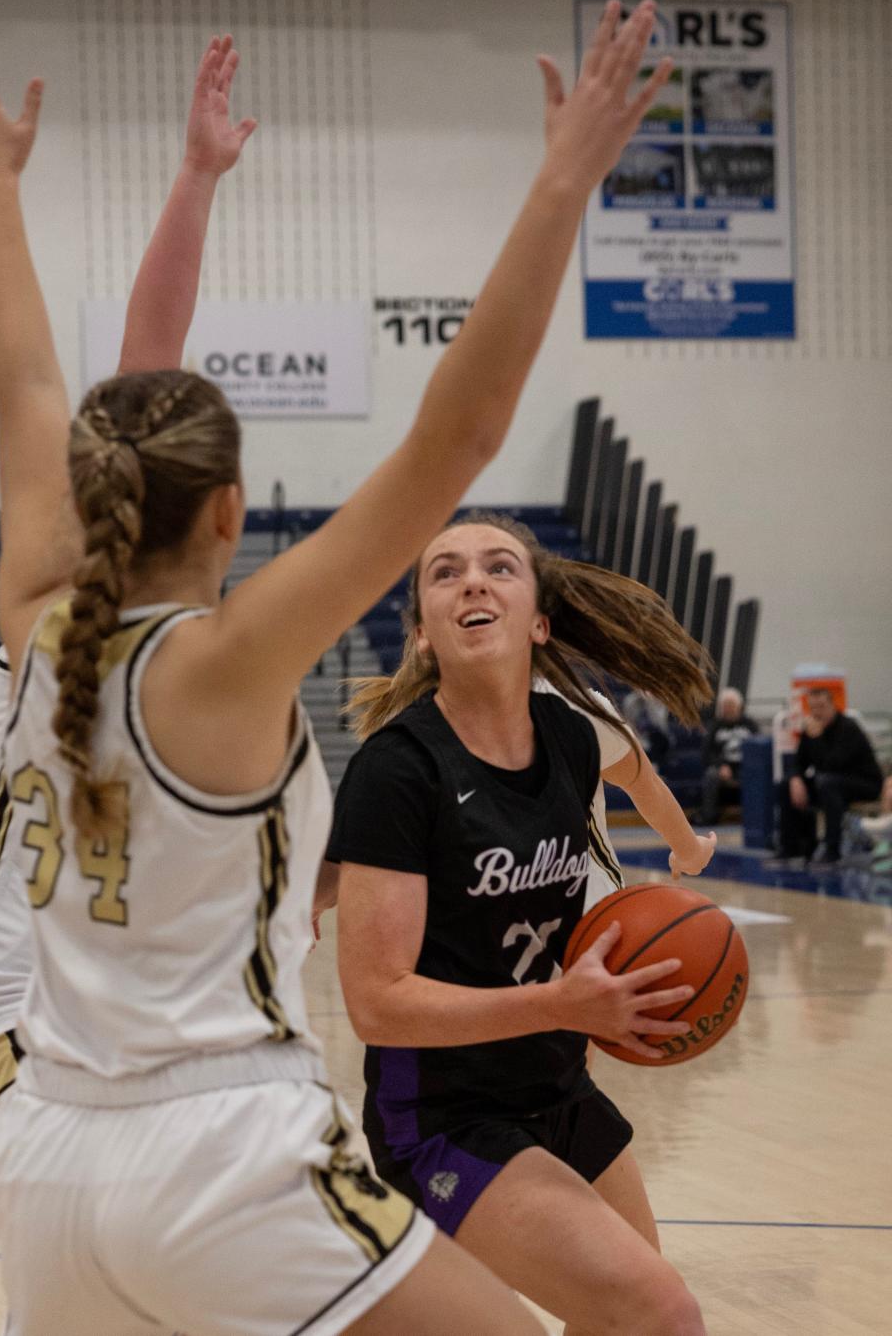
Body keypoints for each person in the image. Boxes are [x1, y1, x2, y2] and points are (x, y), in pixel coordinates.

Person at [0, 0, 672, 1336]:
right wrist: (563, 179)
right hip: (210, 1136)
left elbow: (30, 376)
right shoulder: (229, 658)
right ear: (231, 513)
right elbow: (457, 430)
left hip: (55, 1142)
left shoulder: (35, 602)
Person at [0, 31, 252, 1150]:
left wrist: (195, 177)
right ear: (231, 511)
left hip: (132, 1019)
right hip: (5, 1004)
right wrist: (194, 180)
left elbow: (78, 372)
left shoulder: (206, 646)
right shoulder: (56, 606)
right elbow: (101, 367)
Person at [327, 511, 716, 1336]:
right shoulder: (398, 769)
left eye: (500, 565)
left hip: (557, 1083)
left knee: (637, 1320)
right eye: (445, 571)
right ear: (425, 634)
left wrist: (686, 855)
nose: (472, 578)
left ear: (539, 619)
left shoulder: (574, 740)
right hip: (442, 1114)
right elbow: (376, 1001)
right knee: (662, 1310)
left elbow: (641, 776)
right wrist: (562, 1003)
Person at [778, 687, 883, 867]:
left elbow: (833, 764)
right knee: (787, 784)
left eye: (821, 707)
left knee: (827, 783)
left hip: (865, 784)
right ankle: (793, 848)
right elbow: (798, 762)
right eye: (813, 708)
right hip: (832, 784)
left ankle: (832, 850)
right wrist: (795, 778)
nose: (817, 713)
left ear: (832, 705)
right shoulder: (810, 729)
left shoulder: (848, 728)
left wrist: (818, 738)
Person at [696, 686, 757, 825]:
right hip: (722, 768)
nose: (729, 709)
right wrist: (720, 765)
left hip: (746, 766)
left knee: (758, 775)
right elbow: (706, 753)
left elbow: (758, 750)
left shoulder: (750, 725)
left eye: (732, 705)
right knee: (711, 775)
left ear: (739, 707)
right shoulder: (715, 726)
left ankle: (755, 817)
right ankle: (709, 817)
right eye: (726, 705)